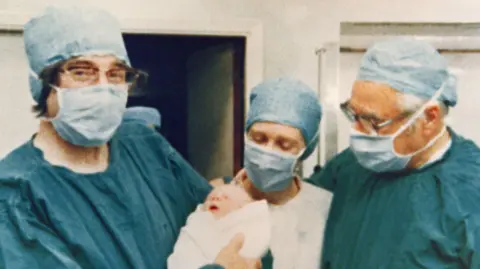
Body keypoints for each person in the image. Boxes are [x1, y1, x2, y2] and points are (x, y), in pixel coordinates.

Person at [0, 6, 257, 269]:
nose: (103, 87)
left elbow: (225, 224)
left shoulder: (145, 145)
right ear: (41, 85)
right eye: (81, 71)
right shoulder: (15, 195)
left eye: (115, 74)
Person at [308, 37, 480, 268]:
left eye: (372, 121)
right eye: (353, 114)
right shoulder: (350, 166)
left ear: (429, 118)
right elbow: (300, 206)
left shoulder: (470, 191)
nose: (357, 131)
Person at [219, 77, 332, 269]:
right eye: (259, 139)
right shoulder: (218, 203)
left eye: (284, 144)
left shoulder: (325, 209)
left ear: (305, 150)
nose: (268, 151)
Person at [168, 184, 271, 269]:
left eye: (226, 197)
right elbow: (184, 254)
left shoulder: (246, 222)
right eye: (210, 198)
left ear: (242, 209)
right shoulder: (198, 223)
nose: (215, 198)